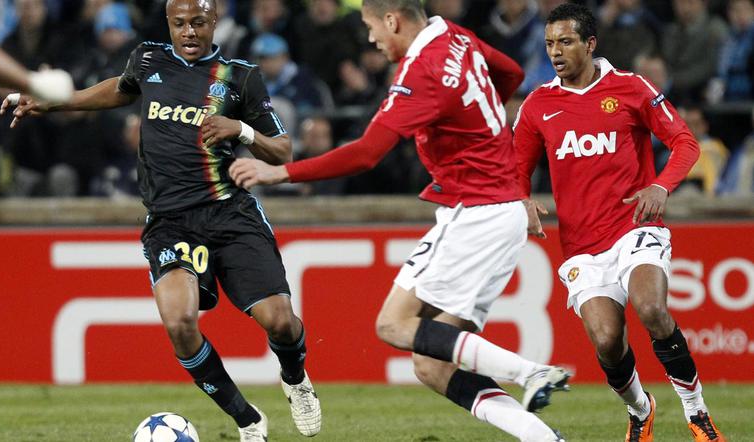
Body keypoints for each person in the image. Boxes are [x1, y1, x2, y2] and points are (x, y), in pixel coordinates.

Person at [230, 1, 570, 441]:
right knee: (431, 362)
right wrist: (472, 121)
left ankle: (532, 372)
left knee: (392, 324)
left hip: (475, 212)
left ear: (392, 20)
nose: (371, 38)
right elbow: (509, 74)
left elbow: (367, 152)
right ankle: (542, 437)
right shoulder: (456, 35)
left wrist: (281, 172)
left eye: (371, 27)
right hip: (502, 211)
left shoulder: (419, 71)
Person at [1, 0, 320, 440]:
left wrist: (240, 131)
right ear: (169, 24)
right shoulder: (148, 58)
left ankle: (295, 377)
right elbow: (120, 88)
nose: (188, 32)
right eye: (179, 23)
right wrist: (55, 103)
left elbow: (282, 150)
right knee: (179, 323)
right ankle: (246, 419)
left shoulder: (239, 76)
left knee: (280, 321)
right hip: (170, 219)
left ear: (214, 24)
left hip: (229, 212)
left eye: (198, 23)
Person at [513, 4, 725, 442]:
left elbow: (684, 142)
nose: (555, 51)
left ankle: (697, 413)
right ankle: (640, 410)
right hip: (582, 245)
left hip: (636, 228)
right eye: (550, 43)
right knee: (607, 340)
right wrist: (522, 201)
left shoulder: (630, 88)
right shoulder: (538, 105)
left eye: (566, 42)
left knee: (651, 308)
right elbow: (514, 167)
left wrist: (661, 186)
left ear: (590, 44)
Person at [0, 0, 73, 103]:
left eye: (33, 6)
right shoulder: (8, 44)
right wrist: (36, 84)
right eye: (23, 7)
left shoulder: (61, 39)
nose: (28, 12)